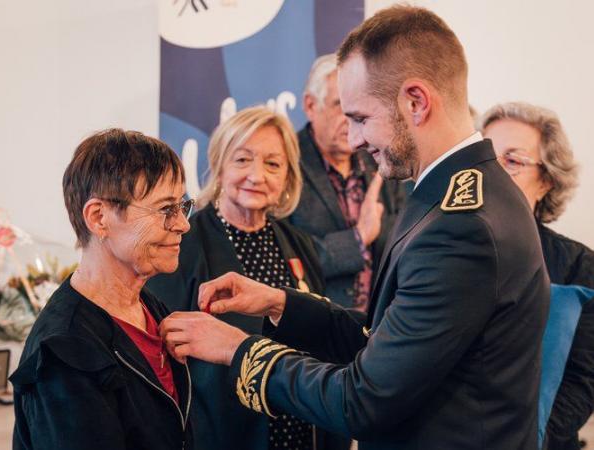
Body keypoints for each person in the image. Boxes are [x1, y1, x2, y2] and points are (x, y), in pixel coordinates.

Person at [159, 6, 550, 450]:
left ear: (416, 102)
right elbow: (386, 337)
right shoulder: (455, 195)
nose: (356, 139)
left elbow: (362, 400)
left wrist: (237, 349)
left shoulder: (462, 226)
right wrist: (281, 303)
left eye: (361, 118)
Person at [148, 106, 344, 450]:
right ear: (220, 167)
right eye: (242, 160)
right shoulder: (184, 244)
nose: (257, 175)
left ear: (287, 176)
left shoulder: (299, 244)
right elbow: (161, 355)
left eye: (272, 164)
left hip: (303, 429)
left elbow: (321, 334)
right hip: (222, 435)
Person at [9, 129, 195, 450]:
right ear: (99, 218)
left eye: (182, 206)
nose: (182, 224)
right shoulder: (63, 353)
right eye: (165, 209)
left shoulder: (151, 309)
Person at [482, 102, 594, 450]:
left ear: (546, 181)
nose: (494, 173)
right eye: (485, 158)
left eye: (512, 161)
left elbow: (582, 381)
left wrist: (525, 441)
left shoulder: (579, 266)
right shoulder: (441, 251)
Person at [291, 53, 405, 310]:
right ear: (310, 106)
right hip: (313, 331)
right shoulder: (284, 165)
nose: (352, 120)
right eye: (340, 107)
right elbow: (285, 260)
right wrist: (358, 237)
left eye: (358, 110)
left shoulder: (380, 160)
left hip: (379, 330)